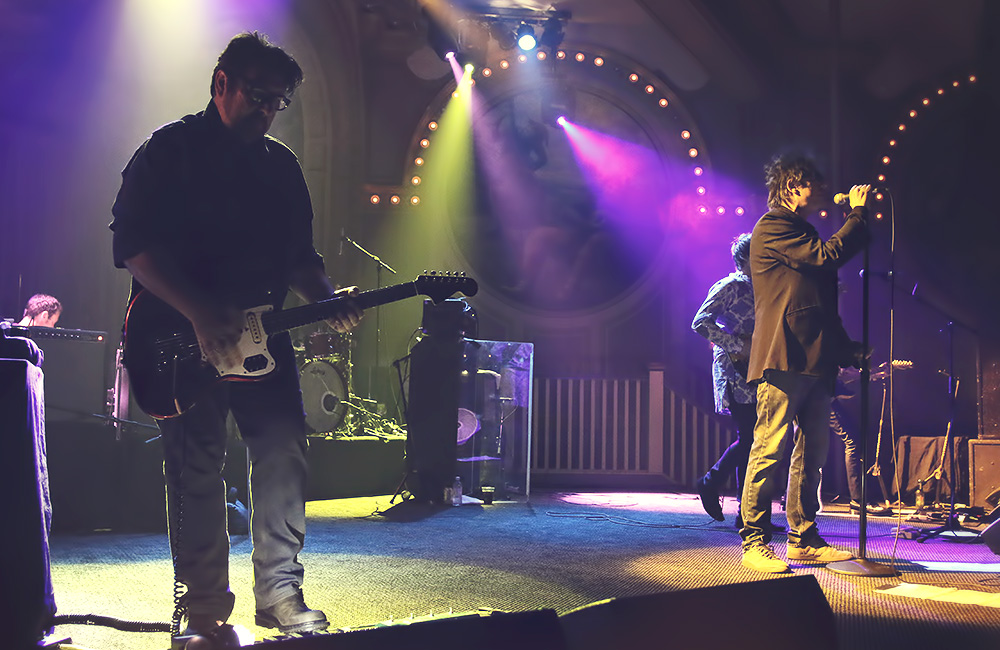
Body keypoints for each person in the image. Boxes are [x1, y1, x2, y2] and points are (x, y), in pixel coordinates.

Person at [109, 32, 363, 641]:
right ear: (220, 82)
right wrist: (197, 310)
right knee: (196, 466)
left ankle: (279, 594)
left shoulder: (281, 166)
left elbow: (300, 257)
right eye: (258, 96)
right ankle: (200, 608)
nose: (269, 111)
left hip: (262, 338)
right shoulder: (167, 151)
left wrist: (325, 298)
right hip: (175, 334)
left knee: (283, 454)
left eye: (280, 102)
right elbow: (132, 247)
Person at [739, 154, 869, 574]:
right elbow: (827, 256)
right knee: (770, 448)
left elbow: (818, 305)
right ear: (793, 185)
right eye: (812, 183)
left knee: (812, 452)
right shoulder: (774, 226)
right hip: (783, 356)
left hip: (814, 358)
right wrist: (857, 216)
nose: (818, 192)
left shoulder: (801, 231)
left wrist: (846, 348)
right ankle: (755, 541)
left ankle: (804, 538)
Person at [692, 234, 756, 523]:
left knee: (756, 440)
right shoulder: (731, 286)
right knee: (751, 438)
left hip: (760, 367)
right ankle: (710, 483)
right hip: (737, 370)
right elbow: (700, 322)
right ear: (744, 260)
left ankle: (748, 513)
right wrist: (736, 345)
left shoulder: (765, 288)